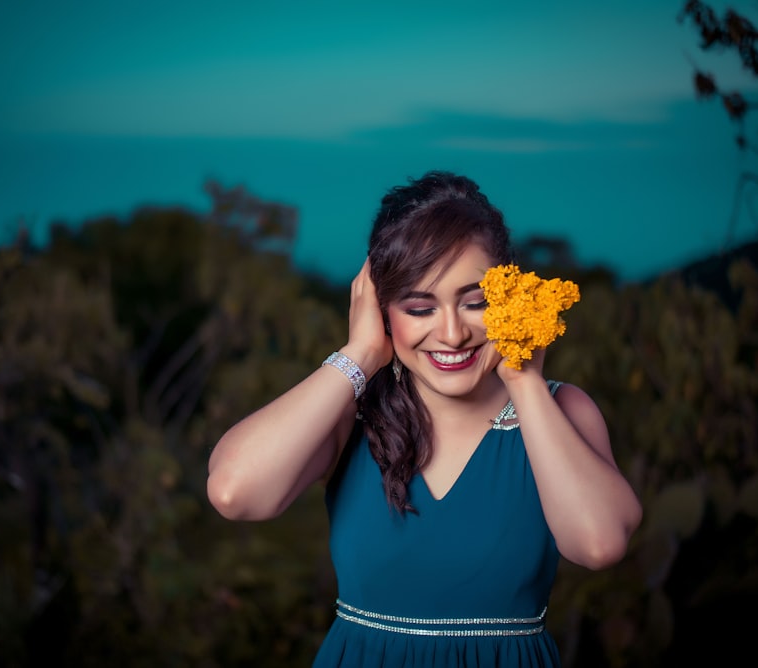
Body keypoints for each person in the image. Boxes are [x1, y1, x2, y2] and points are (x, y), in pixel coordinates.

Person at [207, 170, 642, 667]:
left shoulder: (561, 409)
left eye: (475, 302)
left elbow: (600, 544)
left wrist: (524, 382)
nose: (452, 333)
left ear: (508, 295)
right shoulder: (354, 412)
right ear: (380, 309)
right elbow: (233, 492)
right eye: (419, 308)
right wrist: (361, 353)